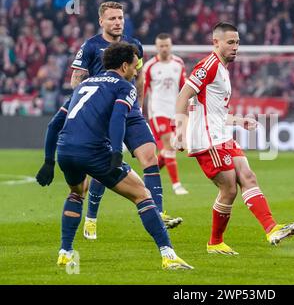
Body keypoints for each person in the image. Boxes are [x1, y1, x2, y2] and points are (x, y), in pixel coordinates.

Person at [35, 2, 182, 241]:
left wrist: (139, 108)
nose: (117, 22)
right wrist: (98, 96)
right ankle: (91, 218)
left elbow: (141, 79)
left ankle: (158, 210)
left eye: (120, 18)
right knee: (102, 168)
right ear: (101, 22)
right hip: (101, 112)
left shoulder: (134, 45)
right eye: (112, 18)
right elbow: (76, 81)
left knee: (150, 156)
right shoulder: (91, 46)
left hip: (130, 109)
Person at [55, 42, 193, 270]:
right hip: (95, 150)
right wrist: (117, 152)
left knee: (76, 193)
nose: (137, 69)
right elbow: (118, 119)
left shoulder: (84, 83)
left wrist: (50, 159)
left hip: (66, 148)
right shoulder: (124, 85)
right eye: (134, 64)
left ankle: (65, 250)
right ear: (125, 65)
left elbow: (54, 123)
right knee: (141, 194)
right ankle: (168, 255)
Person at [173, 22, 294, 255]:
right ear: (216, 42)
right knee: (229, 189)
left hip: (221, 134)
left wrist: (238, 121)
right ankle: (215, 242)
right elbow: (184, 95)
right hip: (208, 139)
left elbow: (214, 110)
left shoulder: (222, 69)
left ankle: (272, 229)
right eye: (230, 42)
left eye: (237, 42)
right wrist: (179, 132)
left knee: (248, 176)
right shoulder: (208, 65)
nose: (235, 47)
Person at [143, 33, 189, 196]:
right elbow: (143, 91)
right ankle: (176, 185)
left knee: (170, 149)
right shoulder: (150, 66)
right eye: (161, 46)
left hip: (174, 112)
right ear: (156, 47)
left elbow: (184, 88)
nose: (164, 48)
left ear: (171, 46)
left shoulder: (178, 63)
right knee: (169, 145)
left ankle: (148, 176)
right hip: (158, 111)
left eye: (166, 45)